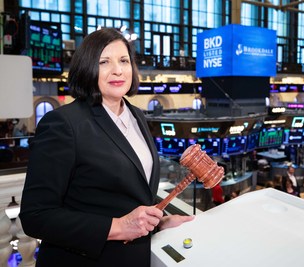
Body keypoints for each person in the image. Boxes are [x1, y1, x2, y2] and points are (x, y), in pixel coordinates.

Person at [19, 28, 194, 267]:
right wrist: (119, 227)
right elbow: (35, 216)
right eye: (104, 62)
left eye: (124, 60)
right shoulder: (64, 123)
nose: (118, 70)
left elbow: (130, 195)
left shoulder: (137, 116)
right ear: (87, 68)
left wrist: (160, 222)